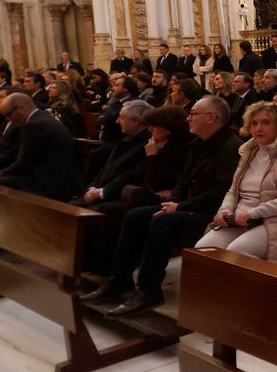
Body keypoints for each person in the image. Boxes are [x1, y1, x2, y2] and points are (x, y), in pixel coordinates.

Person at [81, 95, 242, 315]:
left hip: (209, 213)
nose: (189, 119)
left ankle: (149, 289)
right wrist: (173, 201)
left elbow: (219, 193)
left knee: (162, 222)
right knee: (135, 216)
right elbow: (183, 182)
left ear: (211, 118)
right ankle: (120, 279)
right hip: (186, 206)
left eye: (193, 114)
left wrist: (179, 206)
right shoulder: (198, 145)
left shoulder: (232, 148)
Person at [195, 100, 277, 269]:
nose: (259, 128)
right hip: (242, 218)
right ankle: (220, 294)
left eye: (266, 123)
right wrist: (224, 210)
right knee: (204, 249)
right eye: (254, 123)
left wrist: (254, 213)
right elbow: (233, 190)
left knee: (236, 251)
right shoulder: (249, 151)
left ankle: (255, 294)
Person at [0, 92, 81, 200]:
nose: (9, 119)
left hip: (47, 181)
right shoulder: (41, 117)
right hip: (53, 176)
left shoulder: (33, 125)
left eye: (9, 115)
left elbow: (23, 163)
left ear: (20, 108)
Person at [74, 100, 153, 207]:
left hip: (115, 197)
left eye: (121, 117)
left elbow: (131, 176)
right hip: (101, 192)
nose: (117, 121)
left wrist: (101, 192)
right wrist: (92, 187)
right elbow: (106, 169)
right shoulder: (126, 139)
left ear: (135, 121)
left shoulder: (147, 145)